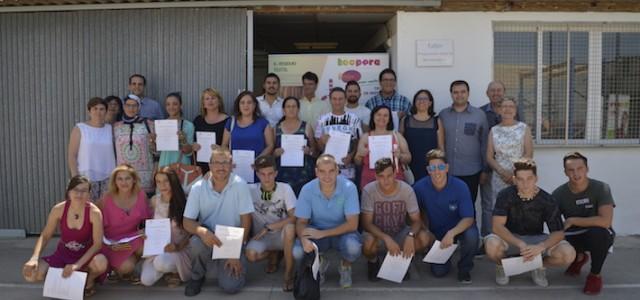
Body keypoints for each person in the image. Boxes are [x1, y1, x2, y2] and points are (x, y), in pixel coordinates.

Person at [484, 159, 576, 287]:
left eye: (529, 178)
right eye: (520, 179)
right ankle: (503, 266)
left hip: (536, 239)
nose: (525, 184)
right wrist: (519, 243)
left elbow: (558, 233)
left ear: (536, 178)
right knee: (491, 245)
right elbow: (497, 226)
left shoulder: (547, 200)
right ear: (514, 179)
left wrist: (541, 247)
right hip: (511, 238)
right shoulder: (505, 195)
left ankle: (538, 266)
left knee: (568, 254)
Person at [183, 148, 254, 296]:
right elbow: (187, 221)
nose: (221, 167)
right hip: (209, 236)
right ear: (209, 165)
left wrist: (234, 252)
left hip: (233, 238)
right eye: (216, 163)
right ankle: (197, 276)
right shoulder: (198, 188)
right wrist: (202, 232)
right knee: (196, 243)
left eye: (225, 163)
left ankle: (226, 263)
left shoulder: (240, 185)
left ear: (231, 165)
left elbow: (246, 221)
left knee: (230, 287)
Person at [22, 175, 108, 297]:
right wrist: (34, 258)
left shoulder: (94, 212)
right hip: (63, 254)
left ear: (89, 194)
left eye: (84, 191)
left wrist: (76, 265)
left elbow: (97, 244)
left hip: (86, 255)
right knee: (31, 275)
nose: (79, 194)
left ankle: (88, 282)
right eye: (76, 190)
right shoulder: (59, 209)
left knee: (101, 263)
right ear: (69, 191)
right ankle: (61, 281)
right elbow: (45, 235)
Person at [293, 154, 361, 288]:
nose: (327, 176)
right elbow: (301, 222)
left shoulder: (349, 187)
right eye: (322, 171)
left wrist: (323, 234)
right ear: (316, 172)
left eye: (331, 171)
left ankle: (345, 266)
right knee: (297, 251)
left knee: (353, 247)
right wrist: (304, 239)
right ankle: (319, 261)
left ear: (337, 171)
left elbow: (353, 224)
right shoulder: (307, 189)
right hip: (316, 230)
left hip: (343, 231)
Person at [552, 152, 615, 295]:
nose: (576, 174)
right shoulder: (558, 194)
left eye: (580, 168)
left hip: (597, 233)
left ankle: (595, 275)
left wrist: (573, 220)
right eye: (571, 170)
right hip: (573, 234)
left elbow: (605, 221)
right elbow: (552, 222)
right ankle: (579, 257)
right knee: (554, 239)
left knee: (599, 233)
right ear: (565, 172)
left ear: (587, 169)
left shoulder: (601, 188)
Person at [413, 149, 479, 283]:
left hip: (458, 230)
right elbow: (412, 212)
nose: (437, 171)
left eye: (441, 167)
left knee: (472, 235)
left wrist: (452, 233)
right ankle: (441, 258)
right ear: (428, 170)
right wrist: (425, 230)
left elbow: (468, 218)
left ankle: (464, 269)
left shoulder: (460, 186)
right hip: (435, 234)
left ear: (447, 168)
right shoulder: (419, 187)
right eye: (433, 168)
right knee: (439, 272)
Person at [361, 158, 431, 281]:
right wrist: (386, 238)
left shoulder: (406, 190)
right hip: (379, 235)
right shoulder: (369, 190)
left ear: (395, 173)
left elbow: (417, 220)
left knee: (424, 238)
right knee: (367, 242)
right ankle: (373, 262)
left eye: (389, 175)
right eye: (381, 176)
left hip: (400, 232)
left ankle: (404, 260)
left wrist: (410, 235)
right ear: (376, 176)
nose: (386, 180)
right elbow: (367, 224)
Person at [245, 156, 297, 292]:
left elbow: (295, 217)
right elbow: (229, 183)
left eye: (270, 174)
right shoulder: (249, 190)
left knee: (290, 228)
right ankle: (273, 254)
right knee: (251, 255)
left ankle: (288, 274)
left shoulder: (285, 188)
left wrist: (269, 227)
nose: (266, 178)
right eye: (262, 174)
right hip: (262, 238)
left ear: (276, 173)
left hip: (282, 236)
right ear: (257, 174)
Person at [485, 97, 533, 238]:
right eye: (504, 106)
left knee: (520, 211)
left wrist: (515, 174)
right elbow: (489, 156)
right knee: (501, 212)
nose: (507, 109)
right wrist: (502, 172)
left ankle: (522, 246)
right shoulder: (494, 130)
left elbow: (528, 153)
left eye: (510, 106)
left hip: (520, 178)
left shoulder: (523, 128)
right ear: (499, 110)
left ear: (515, 110)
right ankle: (501, 246)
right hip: (499, 178)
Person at [439, 80, 489, 211]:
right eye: (455, 92)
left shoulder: (479, 115)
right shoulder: (443, 115)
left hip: (472, 171)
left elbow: (485, 144)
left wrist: (485, 170)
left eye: (462, 92)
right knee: (449, 205)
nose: (459, 95)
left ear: (468, 93)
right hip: (448, 171)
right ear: (451, 94)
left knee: (468, 206)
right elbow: (440, 141)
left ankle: (469, 231)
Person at [98, 164, 152, 283]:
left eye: (127, 178)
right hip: (112, 243)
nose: (124, 182)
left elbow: (148, 219)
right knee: (126, 267)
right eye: (120, 179)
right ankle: (120, 269)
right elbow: (96, 224)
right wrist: (106, 243)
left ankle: (126, 268)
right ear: (115, 181)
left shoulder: (141, 195)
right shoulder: (106, 198)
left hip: (133, 237)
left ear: (133, 180)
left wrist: (145, 231)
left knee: (147, 245)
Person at [140, 168, 191, 287]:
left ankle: (175, 272)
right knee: (146, 280)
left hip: (180, 249)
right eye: (158, 182)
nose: (162, 185)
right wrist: (145, 233)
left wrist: (178, 246)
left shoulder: (185, 201)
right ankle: (165, 270)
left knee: (161, 262)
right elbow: (149, 224)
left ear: (173, 181)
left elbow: (192, 233)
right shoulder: (154, 201)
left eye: (166, 181)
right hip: (158, 250)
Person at [67, 97, 116, 202]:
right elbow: (72, 155)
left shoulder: (110, 129)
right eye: (95, 108)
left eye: (102, 109)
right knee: (85, 210)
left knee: (105, 210)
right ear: (89, 111)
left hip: (108, 177)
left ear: (106, 111)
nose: (98, 112)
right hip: (85, 177)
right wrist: (75, 178)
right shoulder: (80, 128)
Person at [222, 91, 274, 183]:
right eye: (242, 102)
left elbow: (270, 145)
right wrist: (229, 158)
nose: (246, 105)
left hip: (257, 168)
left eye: (249, 102)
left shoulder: (263, 123)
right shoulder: (231, 122)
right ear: (238, 105)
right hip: (235, 167)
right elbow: (224, 145)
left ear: (254, 105)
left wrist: (258, 160)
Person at [354, 105, 411, 189]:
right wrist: (359, 155)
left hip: (394, 180)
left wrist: (400, 156)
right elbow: (357, 162)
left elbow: (408, 158)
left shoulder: (396, 136)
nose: (382, 118)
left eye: (385, 115)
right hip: (370, 181)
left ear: (389, 118)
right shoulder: (365, 137)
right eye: (378, 114)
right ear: (373, 117)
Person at [315, 87, 362, 181]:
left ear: (345, 100)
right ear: (330, 100)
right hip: (327, 171)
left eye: (340, 99)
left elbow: (358, 141)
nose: (337, 102)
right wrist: (321, 141)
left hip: (348, 169)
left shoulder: (354, 119)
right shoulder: (322, 119)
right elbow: (319, 148)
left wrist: (351, 156)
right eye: (334, 99)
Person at [273, 96, 317, 196]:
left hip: (303, 175)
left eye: (294, 106)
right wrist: (275, 153)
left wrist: (309, 151)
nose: (291, 109)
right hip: (282, 174)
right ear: (283, 110)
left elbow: (315, 151)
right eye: (288, 106)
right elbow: (271, 152)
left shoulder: (306, 126)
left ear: (298, 109)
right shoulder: (276, 128)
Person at [113, 94, 156, 195]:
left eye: (134, 106)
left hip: (145, 176)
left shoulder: (149, 124)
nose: (131, 108)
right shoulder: (116, 127)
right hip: (124, 175)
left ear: (139, 107)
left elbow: (156, 150)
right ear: (123, 107)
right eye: (128, 105)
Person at [399, 89, 444, 182]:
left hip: (431, 168)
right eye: (419, 98)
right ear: (414, 102)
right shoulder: (405, 120)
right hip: (410, 167)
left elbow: (441, 147)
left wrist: (441, 167)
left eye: (425, 99)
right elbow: (399, 145)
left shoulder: (437, 121)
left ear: (430, 103)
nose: (422, 101)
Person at [192, 88, 229, 174]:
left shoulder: (228, 121)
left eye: (213, 98)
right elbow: (192, 141)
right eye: (207, 99)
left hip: (220, 165)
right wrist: (193, 145)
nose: (210, 101)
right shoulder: (198, 120)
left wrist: (221, 149)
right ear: (203, 104)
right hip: (200, 166)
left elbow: (233, 145)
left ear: (219, 101)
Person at [158, 92, 195, 169]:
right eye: (168, 104)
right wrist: (152, 141)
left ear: (181, 106)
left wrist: (183, 141)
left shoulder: (188, 125)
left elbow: (189, 153)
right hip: (164, 164)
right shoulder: (161, 125)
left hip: (181, 165)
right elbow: (157, 152)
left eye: (175, 104)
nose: (171, 107)